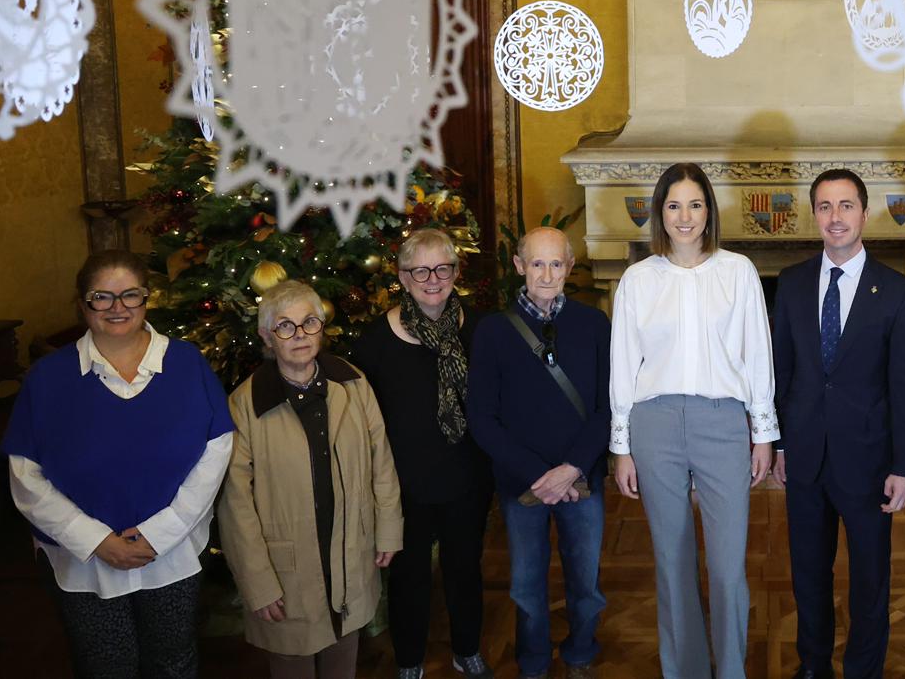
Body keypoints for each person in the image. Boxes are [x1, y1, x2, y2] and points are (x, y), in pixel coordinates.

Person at [2, 249, 233, 679]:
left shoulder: (186, 363)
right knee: (106, 665)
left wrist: (160, 533)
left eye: (130, 294)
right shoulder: (48, 378)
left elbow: (216, 448)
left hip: (170, 551)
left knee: (173, 661)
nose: (117, 307)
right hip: (84, 559)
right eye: (101, 297)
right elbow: (25, 474)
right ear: (82, 303)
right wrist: (95, 540)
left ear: (146, 298)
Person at [610, 162, 777, 679]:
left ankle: (730, 670)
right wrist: (621, 447)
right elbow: (623, 364)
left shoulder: (738, 271)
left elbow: (757, 355)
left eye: (695, 204)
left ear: (709, 211)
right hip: (654, 425)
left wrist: (763, 434)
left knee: (727, 568)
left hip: (722, 423)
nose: (685, 217)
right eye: (674, 205)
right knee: (673, 563)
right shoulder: (638, 279)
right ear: (660, 213)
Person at [771, 168, 905, 679]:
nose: (835, 217)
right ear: (813, 214)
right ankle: (813, 665)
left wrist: (904, 466)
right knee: (808, 576)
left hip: (870, 462)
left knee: (870, 582)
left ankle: (863, 670)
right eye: (825, 206)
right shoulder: (791, 284)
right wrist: (780, 446)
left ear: (864, 212)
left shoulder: (898, 291)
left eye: (845, 205)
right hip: (805, 459)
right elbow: (782, 373)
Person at [218, 279, 403, 679]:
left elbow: (381, 461)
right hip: (286, 563)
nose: (300, 335)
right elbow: (235, 503)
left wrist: (388, 529)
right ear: (267, 335)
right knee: (292, 656)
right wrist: (257, 581)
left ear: (322, 327)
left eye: (309, 323)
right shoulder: (245, 404)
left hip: (349, 546)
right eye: (285, 326)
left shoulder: (352, 383)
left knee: (344, 641)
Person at [351, 228, 494, 679]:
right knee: (408, 576)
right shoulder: (375, 341)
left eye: (442, 269)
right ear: (402, 276)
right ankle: (409, 660)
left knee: (464, 569)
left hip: (467, 476)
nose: (433, 279)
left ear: (456, 272)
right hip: (404, 484)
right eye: (420, 271)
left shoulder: (482, 329)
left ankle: (466, 650)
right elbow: (363, 421)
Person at [469, 226, 611, 679]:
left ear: (569, 267)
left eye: (555, 264)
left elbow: (609, 407)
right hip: (522, 483)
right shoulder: (493, 331)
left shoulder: (594, 325)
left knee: (585, 580)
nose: (546, 275)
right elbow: (482, 419)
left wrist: (571, 469)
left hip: (581, 479)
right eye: (536, 263)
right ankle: (532, 661)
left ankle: (581, 652)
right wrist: (538, 475)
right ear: (519, 266)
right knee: (527, 585)